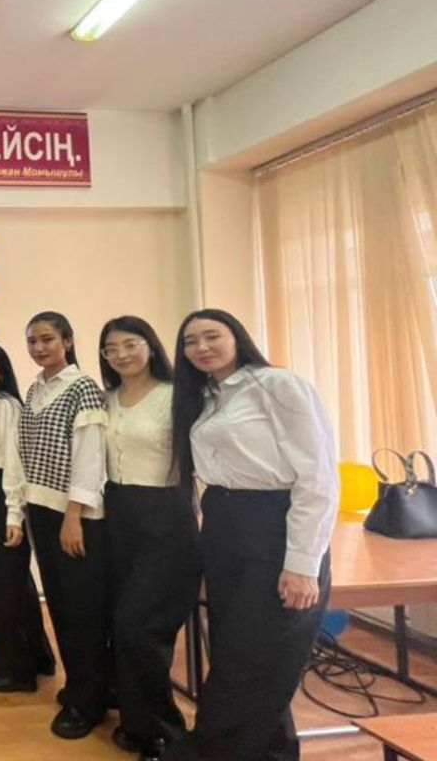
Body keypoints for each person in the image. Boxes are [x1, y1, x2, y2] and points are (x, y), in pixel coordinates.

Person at [165, 309, 337, 761]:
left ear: (237, 337)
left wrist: (303, 564)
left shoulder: (278, 385)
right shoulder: (207, 396)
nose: (201, 347)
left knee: (249, 661)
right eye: (190, 342)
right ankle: (273, 752)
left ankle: (212, 751)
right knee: (236, 654)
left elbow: (318, 478)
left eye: (211, 336)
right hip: (225, 527)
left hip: (273, 526)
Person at [98, 317, 199, 760]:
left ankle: (166, 732)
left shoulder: (177, 396)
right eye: (111, 348)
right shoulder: (106, 399)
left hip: (166, 517)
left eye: (130, 344)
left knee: (140, 626)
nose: (121, 354)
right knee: (119, 623)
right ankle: (137, 724)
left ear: (151, 346)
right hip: (117, 513)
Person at [19, 311, 112, 740]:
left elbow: (90, 457)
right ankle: (81, 686)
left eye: (47, 339)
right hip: (41, 508)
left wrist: (74, 515)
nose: (39, 348)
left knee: (82, 610)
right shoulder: (36, 387)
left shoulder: (83, 389)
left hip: (75, 515)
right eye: (32, 341)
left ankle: (87, 703)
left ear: (68, 341)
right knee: (59, 603)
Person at [0, 343, 57, 693]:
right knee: (16, 581)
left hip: (3, 492)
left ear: (1, 370)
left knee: (3, 584)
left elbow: (16, 464)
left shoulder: (6, 406)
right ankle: (39, 657)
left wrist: (13, 515)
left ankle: (15, 672)